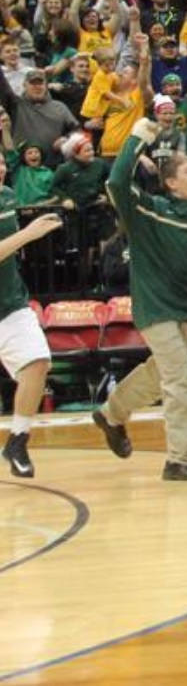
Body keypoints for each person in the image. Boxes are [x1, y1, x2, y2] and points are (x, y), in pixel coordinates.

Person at [91, 118, 187, 481]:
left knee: (160, 372)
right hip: (154, 308)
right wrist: (137, 138)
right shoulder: (149, 211)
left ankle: (110, 413)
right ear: (170, 182)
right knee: (181, 381)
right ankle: (179, 460)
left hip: (182, 311)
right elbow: (116, 182)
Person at [0, 158, 65, 476]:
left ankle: (18, 440)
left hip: (10, 304)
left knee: (37, 362)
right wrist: (29, 234)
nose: (0, 168)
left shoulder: (8, 195)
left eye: (0, 162)